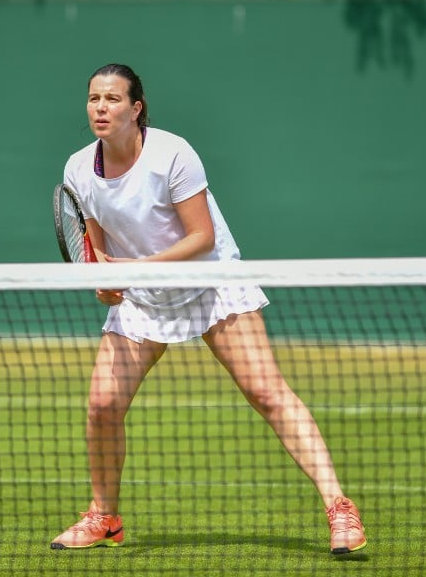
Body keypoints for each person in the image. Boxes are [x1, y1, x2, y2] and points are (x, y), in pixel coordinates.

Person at [50, 63, 367, 555]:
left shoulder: (172, 154)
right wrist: (106, 283)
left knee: (267, 392)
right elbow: (97, 247)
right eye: (94, 99)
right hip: (145, 298)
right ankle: (104, 517)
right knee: (102, 406)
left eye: (113, 99)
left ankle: (339, 508)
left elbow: (203, 238)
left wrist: (132, 269)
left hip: (211, 284)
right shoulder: (77, 169)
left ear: (136, 109)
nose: (100, 108)